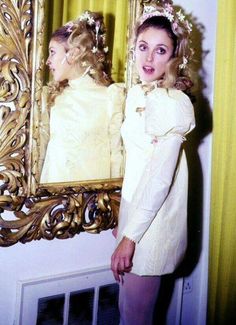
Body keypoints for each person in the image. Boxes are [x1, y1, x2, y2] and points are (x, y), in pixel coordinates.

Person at [111, 1, 195, 324]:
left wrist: (131, 237)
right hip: (137, 219)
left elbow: (160, 179)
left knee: (135, 318)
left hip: (153, 228)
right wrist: (126, 221)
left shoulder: (173, 103)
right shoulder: (137, 94)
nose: (149, 58)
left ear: (175, 56)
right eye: (144, 47)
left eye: (161, 50)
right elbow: (137, 167)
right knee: (127, 312)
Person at [40, 11, 124, 183]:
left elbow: (117, 156)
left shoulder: (111, 97)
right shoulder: (52, 97)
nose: (47, 61)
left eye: (52, 52)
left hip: (94, 201)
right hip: (53, 202)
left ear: (74, 53)